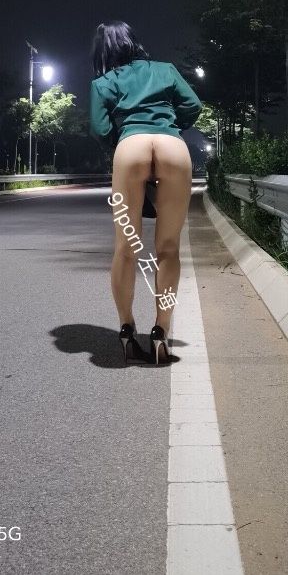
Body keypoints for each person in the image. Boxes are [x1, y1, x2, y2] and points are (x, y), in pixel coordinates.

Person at [89, 21, 203, 365]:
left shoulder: (103, 82)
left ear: (104, 52)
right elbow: (193, 105)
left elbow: (100, 129)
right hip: (172, 147)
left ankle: (126, 329)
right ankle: (161, 332)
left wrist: (126, 138)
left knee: (125, 249)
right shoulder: (165, 70)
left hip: (131, 148)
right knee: (168, 249)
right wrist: (169, 127)